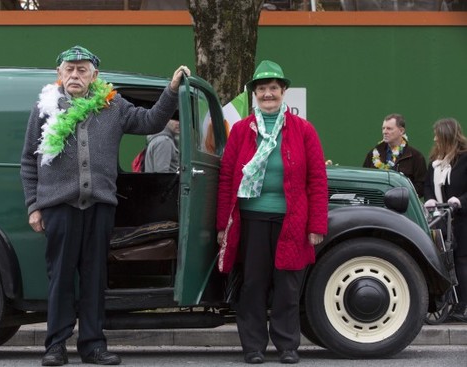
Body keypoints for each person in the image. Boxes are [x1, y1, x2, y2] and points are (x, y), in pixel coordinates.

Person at [20, 45, 190, 366]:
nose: (75, 74)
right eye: (69, 69)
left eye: (82, 69)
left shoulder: (113, 106)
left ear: (95, 76)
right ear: (59, 75)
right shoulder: (44, 108)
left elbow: (151, 121)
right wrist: (33, 205)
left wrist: (170, 91)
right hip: (59, 207)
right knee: (60, 278)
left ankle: (93, 345)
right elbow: (29, 161)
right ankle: (55, 346)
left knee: (95, 278)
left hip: (99, 207)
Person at [216, 60, 328, 364]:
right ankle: (253, 347)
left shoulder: (303, 130)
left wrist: (316, 224)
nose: (268, 94)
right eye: (262, 88)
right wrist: (222, 225)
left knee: (288, 286)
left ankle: (287, 346)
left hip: (291, 220)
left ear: (283, 92)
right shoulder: (240, 130)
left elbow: (317, 178)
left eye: (273, 88)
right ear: (255, 94)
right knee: (252, 284)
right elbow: (227, 178)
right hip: (250, 219)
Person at [424, 117, 467, 322]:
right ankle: (448, 302)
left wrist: (459, 200)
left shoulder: (465, 158)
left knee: (461, 261)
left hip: (462, 220)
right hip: (442, 218)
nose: (434, 139)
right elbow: (427, 187)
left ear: (447, 136)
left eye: (437, 135)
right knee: (444, 261)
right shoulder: (435, 162)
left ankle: (461, 305)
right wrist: (431, 199)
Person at [362, 113, 427, 197]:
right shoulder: (373, 154)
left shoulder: (415, 156)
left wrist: (401, 195)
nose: (385, 132)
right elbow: (364, 180)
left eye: (389, 129)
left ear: (401, 131)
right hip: (377, 204)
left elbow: (421, 187)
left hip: (402, 207)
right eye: (383, 128)